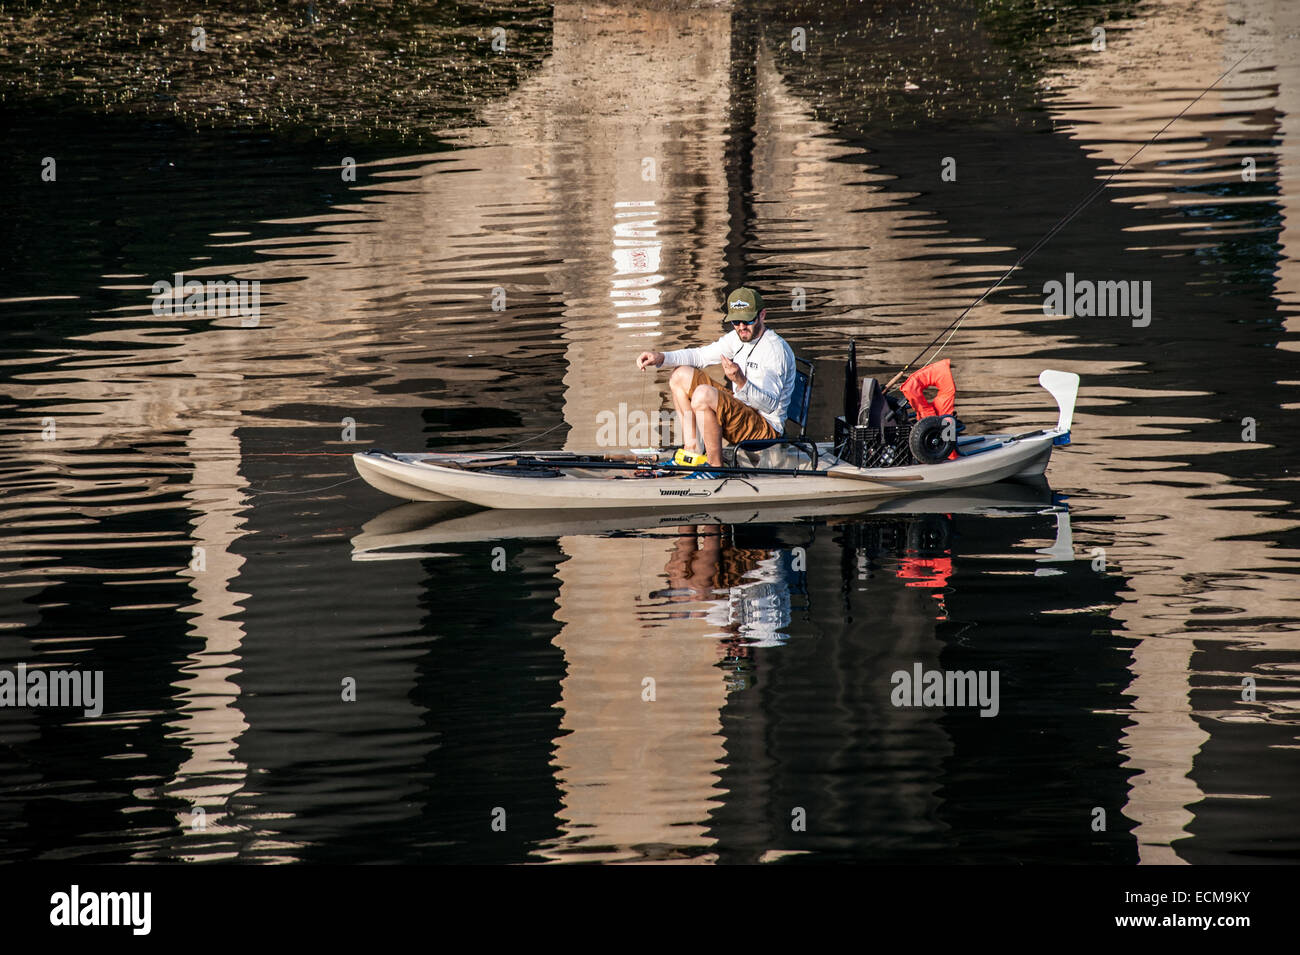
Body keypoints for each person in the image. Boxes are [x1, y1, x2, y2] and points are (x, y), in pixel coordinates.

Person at [636, 287, 796, 478]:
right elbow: (699, 356)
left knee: (703, 394)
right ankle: (692, 452)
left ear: (762, 315)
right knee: (680, 375)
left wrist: (741, 381)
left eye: (748, 320)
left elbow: (769, 406)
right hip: (742, 413)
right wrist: (661, 357)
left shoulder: (775, 351)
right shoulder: (736, 338)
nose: (741, 327)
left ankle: (714, 467)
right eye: (736, 322)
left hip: (766, 431)